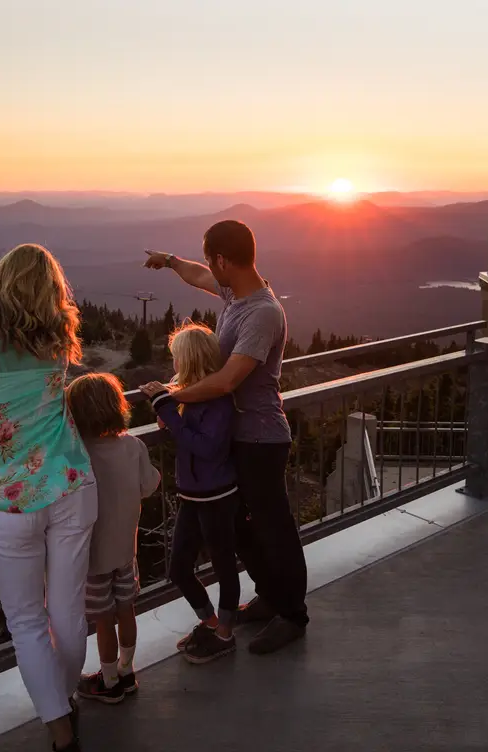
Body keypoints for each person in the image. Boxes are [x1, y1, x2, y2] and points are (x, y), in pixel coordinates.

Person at [0, 244, 94, 752]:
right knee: (68, 613)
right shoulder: (57, 337)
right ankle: (64, 698)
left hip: (7, 498)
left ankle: (59, 728)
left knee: (27, 621)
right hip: (70, 483)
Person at [143, 220, 309, 654]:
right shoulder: (236, 292)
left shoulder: (263, 312)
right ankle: (271, 597)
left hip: (262, 438)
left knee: (274, 529)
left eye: (211, 259)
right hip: (238, 438)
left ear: (223, 259)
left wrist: (170, 397)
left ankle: (293, 614)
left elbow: (227, 381)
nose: (209, 270)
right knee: (239, 529)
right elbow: (199, 276)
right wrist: (171, 262)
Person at [140, 323, 241, 664]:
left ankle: (224, 634)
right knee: (179, 568)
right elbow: (189, 438)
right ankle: (211, 623)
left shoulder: (219, 400)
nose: (174, 366)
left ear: (190, 358)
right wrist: (169, 414)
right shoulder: (193, 395)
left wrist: (166, 409)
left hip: (216, 495)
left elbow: (208, 448)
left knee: (224, 564)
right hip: (193, 494)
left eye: (177, 358)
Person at [65, 373, 161, 703]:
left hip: (93, 559)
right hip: (125, 553)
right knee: (126, 610)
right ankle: (127, 671)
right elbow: (149, 485)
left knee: (103, 622)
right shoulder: (133, 446)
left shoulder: (78, 454)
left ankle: (107, 684)